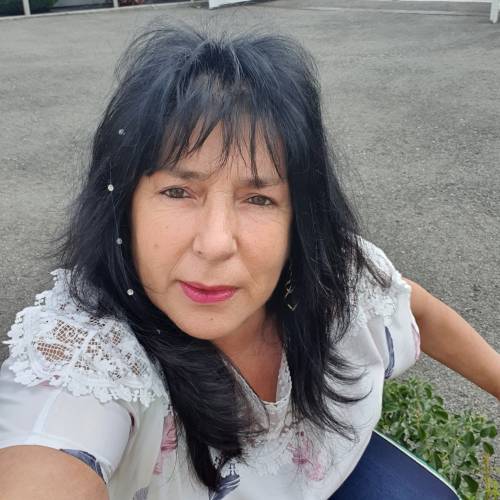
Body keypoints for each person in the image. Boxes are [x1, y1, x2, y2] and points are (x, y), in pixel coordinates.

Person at [0, 21, 498, 500]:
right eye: (177, 191)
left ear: (299, 216)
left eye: (259, 198)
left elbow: (411, 306)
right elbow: (46, 452)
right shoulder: (92, 356)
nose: (216, 243)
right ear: (122, 205)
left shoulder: (334, 278)